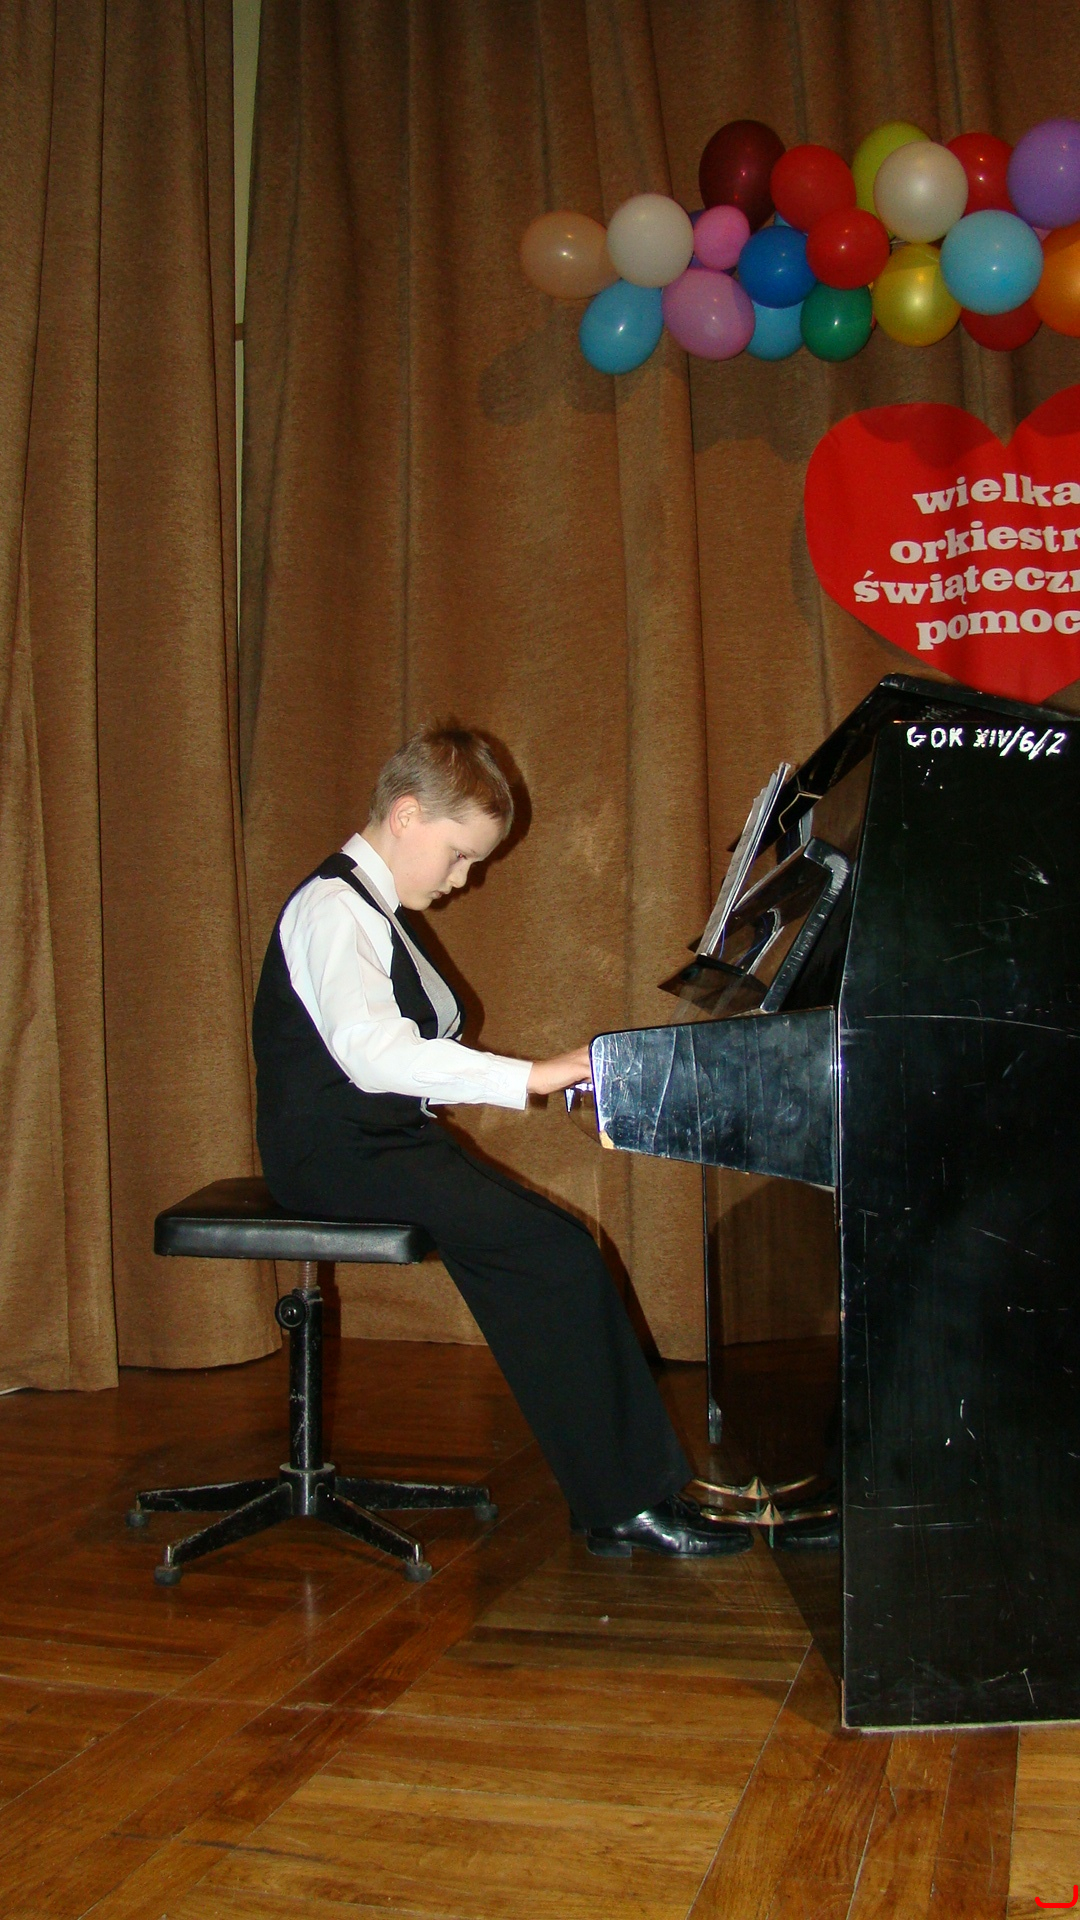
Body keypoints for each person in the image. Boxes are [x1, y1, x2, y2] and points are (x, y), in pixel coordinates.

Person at [253, 724, 748, 1558]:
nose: (461, 880)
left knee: (559, 1249)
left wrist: (536, 1079)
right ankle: (624, 1503)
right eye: (459, 856)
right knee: (553, 1257)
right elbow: (372, 1055)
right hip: (336, 1155)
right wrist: (532, 1076)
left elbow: (403, 1057)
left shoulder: (369, 908)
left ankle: (629, 1494)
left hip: (376, 1145)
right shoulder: (334, 909)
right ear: (406, 815)